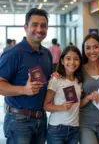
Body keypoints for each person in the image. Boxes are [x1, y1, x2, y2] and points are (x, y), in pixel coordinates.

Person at [0, 8, 53, 144]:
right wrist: (24, 90)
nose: (39, 29)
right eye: (35, 25)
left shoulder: (46, 54)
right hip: (19, 121)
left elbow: (46, 82)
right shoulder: (13, 53)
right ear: (26, 27)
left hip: (41, 119)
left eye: (43, 26)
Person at [44, 45, 84, 144]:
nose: (72, 62)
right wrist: (61, 107)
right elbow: (46, 106)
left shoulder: (79, 81)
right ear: (62, 61)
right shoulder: (56, 79)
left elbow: (78, 104)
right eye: (68, 58)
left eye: (76, 59)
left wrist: (89, 98)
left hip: (74, 129)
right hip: (57, 129)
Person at [79, 33, 99, 144]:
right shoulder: (79, 70)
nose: (92, 51)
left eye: (95, 47)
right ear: (84, 50)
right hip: (85, 123)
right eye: (88, 48)